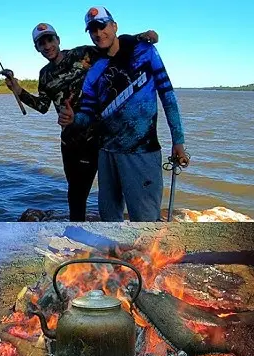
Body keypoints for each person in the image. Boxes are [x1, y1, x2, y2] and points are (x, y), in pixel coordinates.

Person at [5, 22, 158, 221]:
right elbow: (42, 106)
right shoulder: (44, 74)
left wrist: (140, 36)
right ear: (37, 48)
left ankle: (120, 229)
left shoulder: (83, 54)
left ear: (58, 40)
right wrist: (17, 89)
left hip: (98, 136)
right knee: (75, 192)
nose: (47, 46)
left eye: (50, 40)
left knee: (111, 190)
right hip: (70, 141)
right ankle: (76, 232)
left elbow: (110, 44)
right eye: (41, 43)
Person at [58, 6, 189, 222]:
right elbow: (89, 115)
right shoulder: (94, 71)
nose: (99, 34)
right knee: (109, 219)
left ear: (114, 26)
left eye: (102, 26)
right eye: (93, 30)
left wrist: (178, 141)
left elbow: (168, 96)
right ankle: (114, 255)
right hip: (106, 154)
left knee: (145, 220)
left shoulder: (144, 52)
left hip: (142, 152)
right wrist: (73, 119)